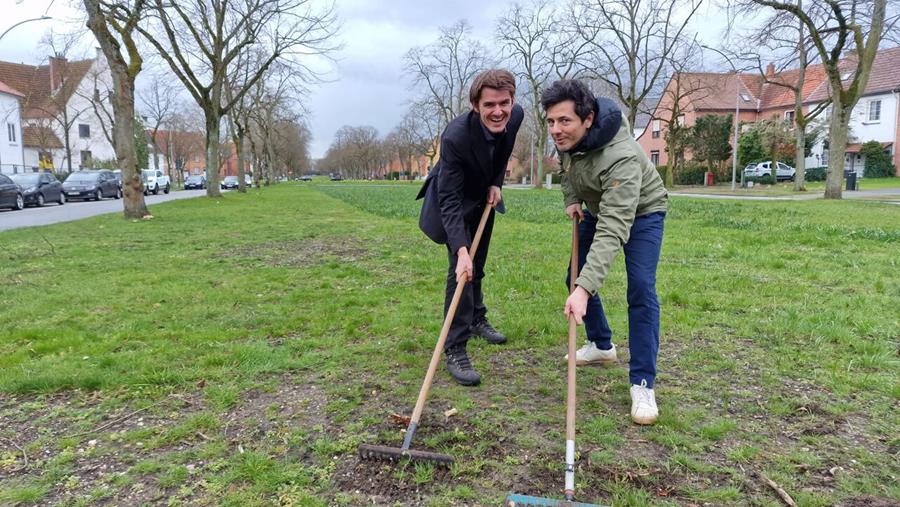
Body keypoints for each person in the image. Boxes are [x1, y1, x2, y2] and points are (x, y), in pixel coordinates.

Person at [541, 79, 668, 425]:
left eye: (564, 121)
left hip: (642, 213)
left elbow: (613, 229)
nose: (556, 130)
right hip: (600, 208)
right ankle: (601, 345)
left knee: (641, 288)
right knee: (573, 274)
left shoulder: (621, 157)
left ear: (588, 118)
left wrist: (584, 291)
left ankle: (643, 383)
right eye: (551, 121)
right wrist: (571, 200)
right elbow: (568, 171)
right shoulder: (569, 140)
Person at [416, 69, 524, 386]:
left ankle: (477, 318)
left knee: (479, 265)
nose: (498, 111)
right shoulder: (456, 137)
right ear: (475, 104)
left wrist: (496, 182)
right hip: (453, 200)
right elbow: (449, 199)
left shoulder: (514, 116)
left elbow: (503, 151)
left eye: (504, 103)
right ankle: (456, 347)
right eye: (489, 104)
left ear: (513, 100)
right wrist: (461, 249)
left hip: (483, 196)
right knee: (462, 269)